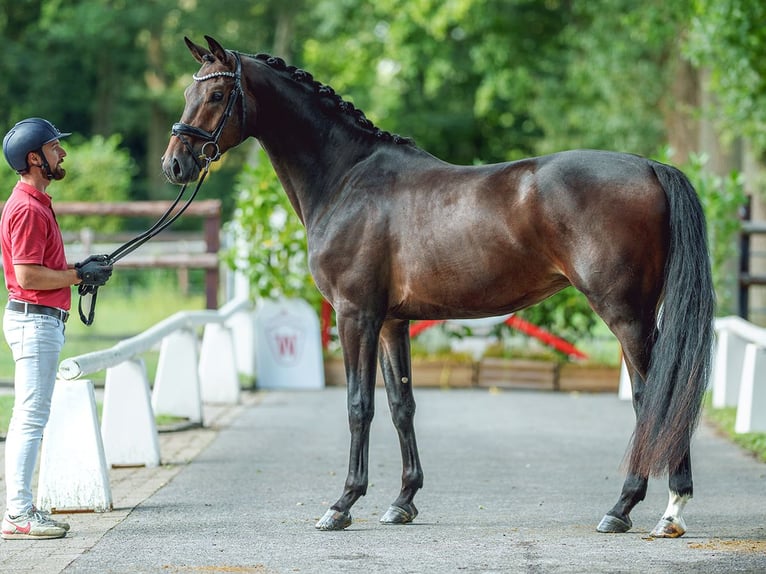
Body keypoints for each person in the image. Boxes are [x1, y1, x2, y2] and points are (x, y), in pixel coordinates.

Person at [1, 118, 113, 540]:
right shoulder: (28, 208)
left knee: (31, 417)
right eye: (54, 148)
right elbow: (28, 276)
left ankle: (21, 509)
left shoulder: (36, 202)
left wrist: (77, 271)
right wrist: (78, 276)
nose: (62, 153)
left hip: (40, 321)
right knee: (30, 419)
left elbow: (39, 270)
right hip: (35, 321)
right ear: (34, 159)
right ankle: (17, 514)